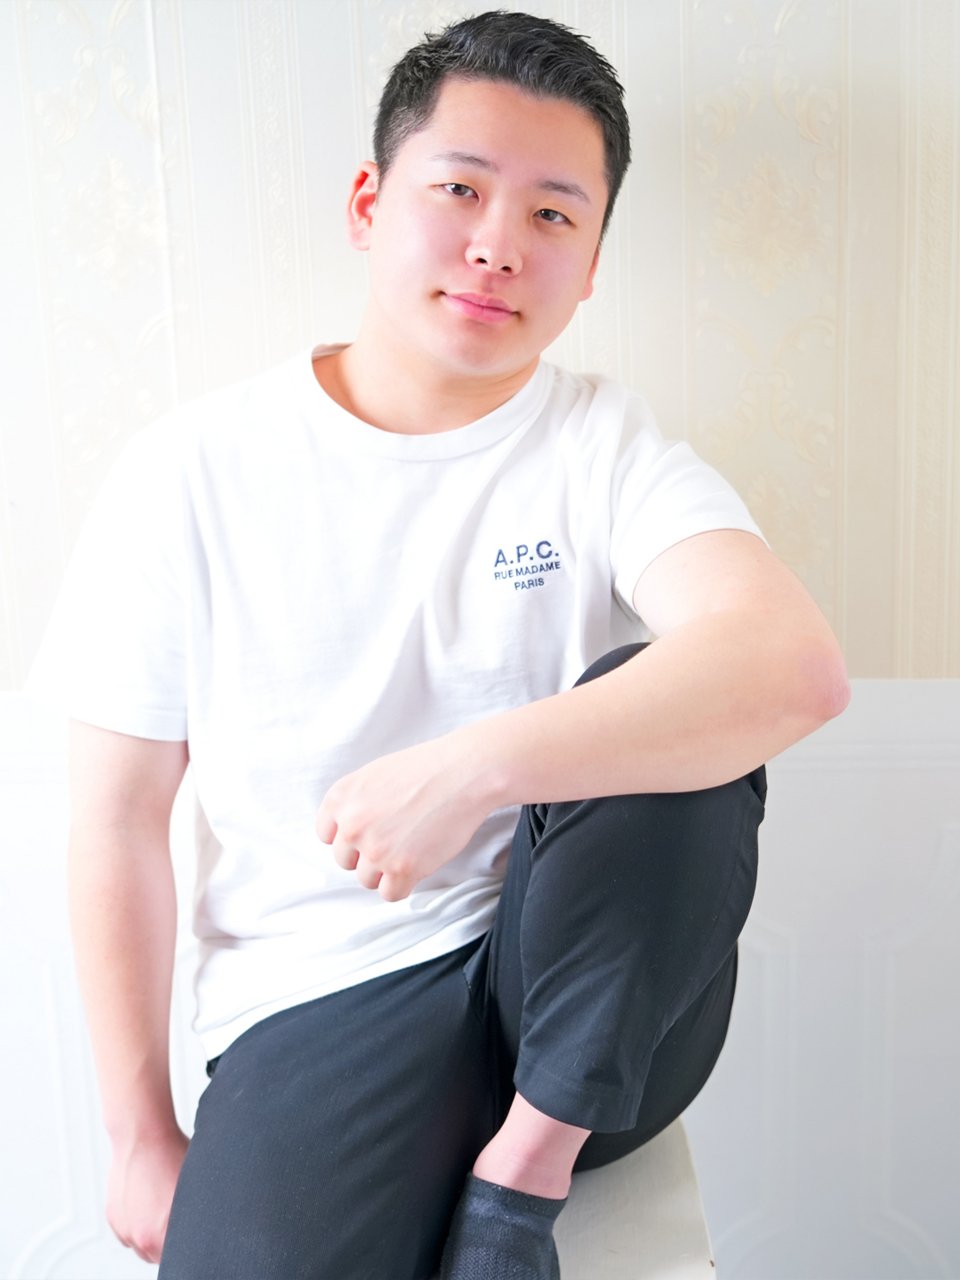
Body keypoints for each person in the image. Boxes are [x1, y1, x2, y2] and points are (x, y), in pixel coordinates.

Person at [29, 11, 849, 1280]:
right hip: (321, 1003)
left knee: (672, 698)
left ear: (592, 265)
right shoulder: (191, 471)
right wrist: (138, 1130)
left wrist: (468, 769)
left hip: (586, 1006)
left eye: (553, 215)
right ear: (370, 203)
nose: (497, 245)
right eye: (460, 189)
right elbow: (117, 815)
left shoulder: (606, 446)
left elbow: (794, 664)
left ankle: (520, 1179)